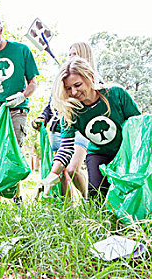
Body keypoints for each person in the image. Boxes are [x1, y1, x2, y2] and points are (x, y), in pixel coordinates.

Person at [38, 57, 141, 202]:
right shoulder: (70, 111)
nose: (73, 92)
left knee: (132, 195)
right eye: (68, 88)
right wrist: (53, 174)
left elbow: (138, 125)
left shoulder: (116, 94)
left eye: (77, 85)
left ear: (90, 77)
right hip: (99, 153)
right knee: (96, 197)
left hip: (126, 151)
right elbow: (66, 148)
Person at [0, 15, 39, 203]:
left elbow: (33, 83)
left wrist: (22, 96)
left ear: (1, 31)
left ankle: (17, 199)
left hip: (16, 109)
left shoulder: (21, 51)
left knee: (13, 154)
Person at [32, 42, 102, 200]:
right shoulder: (63, 80)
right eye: (69, 54)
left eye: (75, 54)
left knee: (72, 168)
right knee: (62, 171)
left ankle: (87, 200)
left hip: (82, 130)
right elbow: (53, 103)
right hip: (60, 128)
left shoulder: (97, 82)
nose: (70, 57)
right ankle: (67, 209)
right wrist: (43, 118)